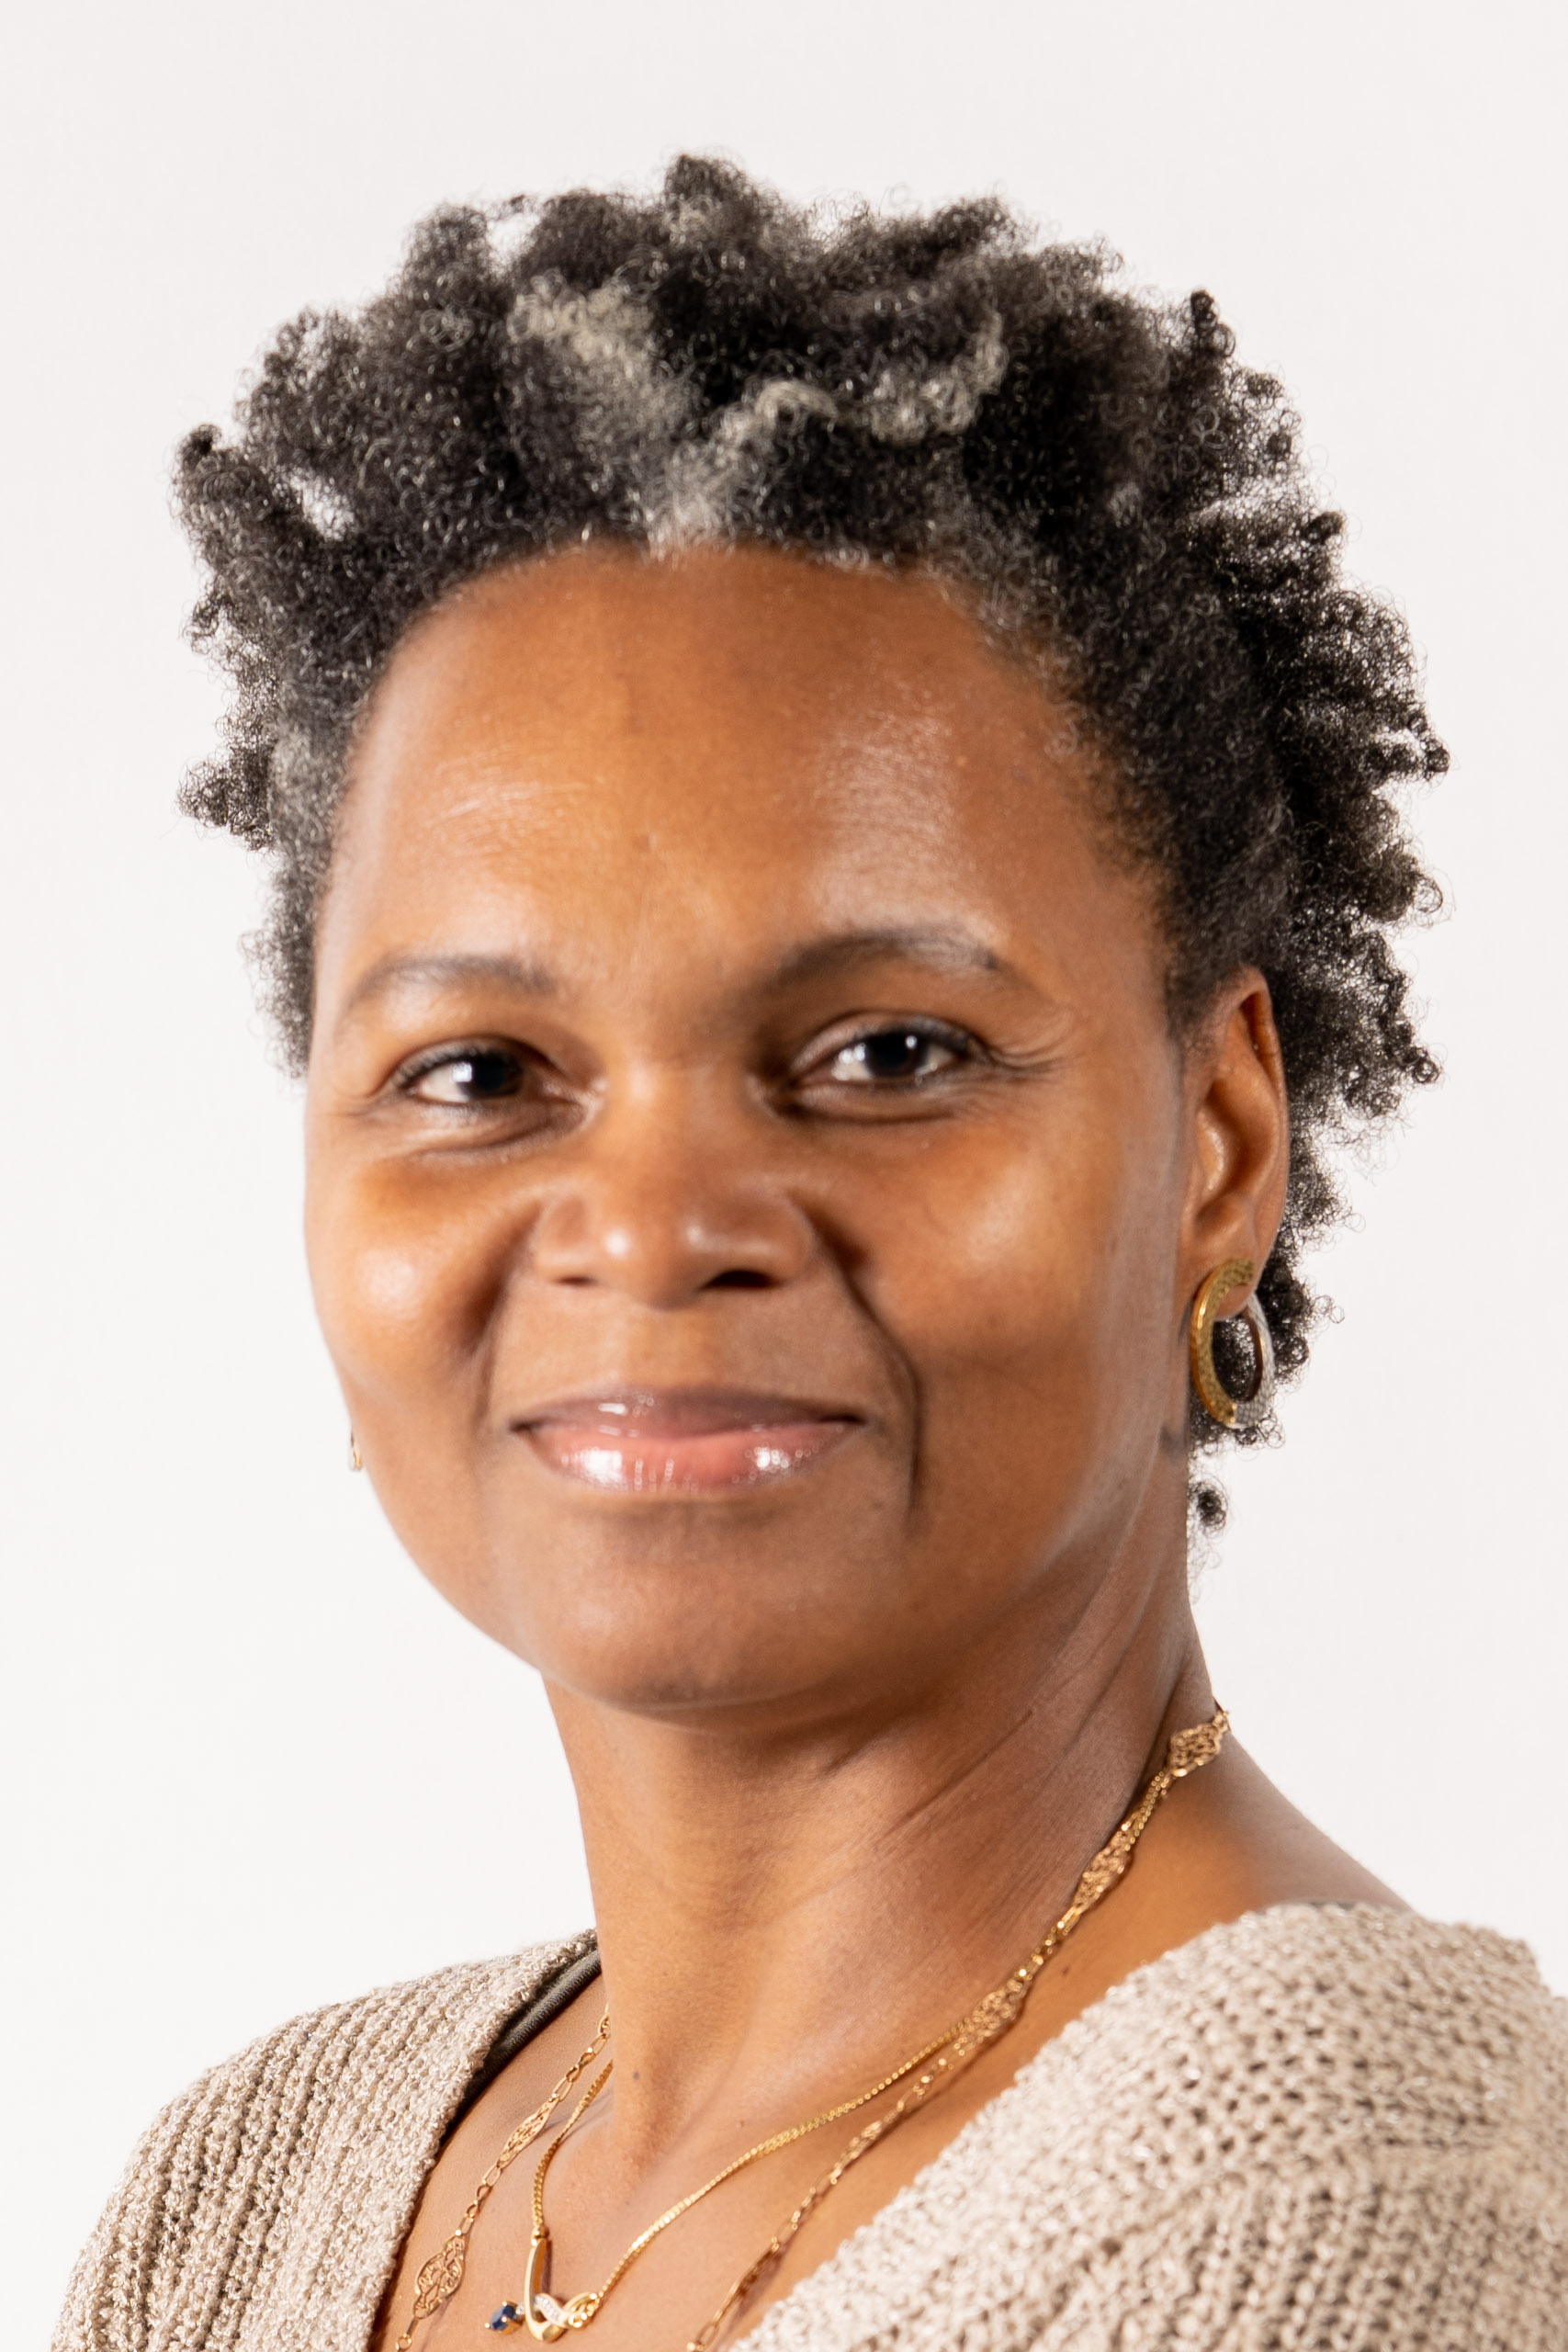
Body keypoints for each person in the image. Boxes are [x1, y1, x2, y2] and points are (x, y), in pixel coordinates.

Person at [54, 157, 1567, 2352]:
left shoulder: (1348, 2229)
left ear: (1219, 1143)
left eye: (883, 1051)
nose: (653, 1228)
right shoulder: (258, 2186)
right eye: (479, 1072)